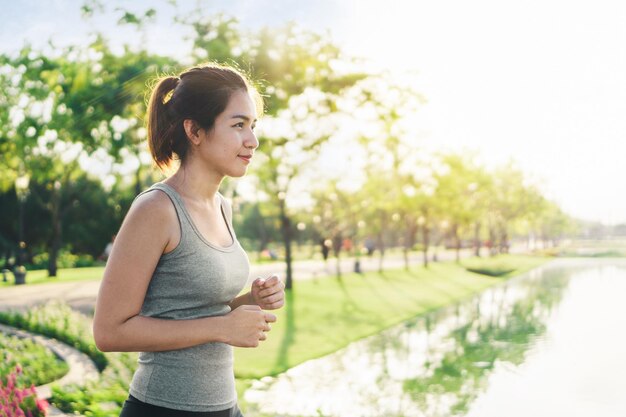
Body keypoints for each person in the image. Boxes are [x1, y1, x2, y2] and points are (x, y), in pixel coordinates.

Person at [92, 63, 285, 417]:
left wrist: (250, 300)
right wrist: (222, 327)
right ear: (195, 131)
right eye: (238, 124)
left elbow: (199, 311)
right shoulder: (157, 209)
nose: (252, 141)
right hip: (162, 408)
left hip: (224, 407)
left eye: (253, 126)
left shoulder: (222, 207)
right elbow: (109, 331)